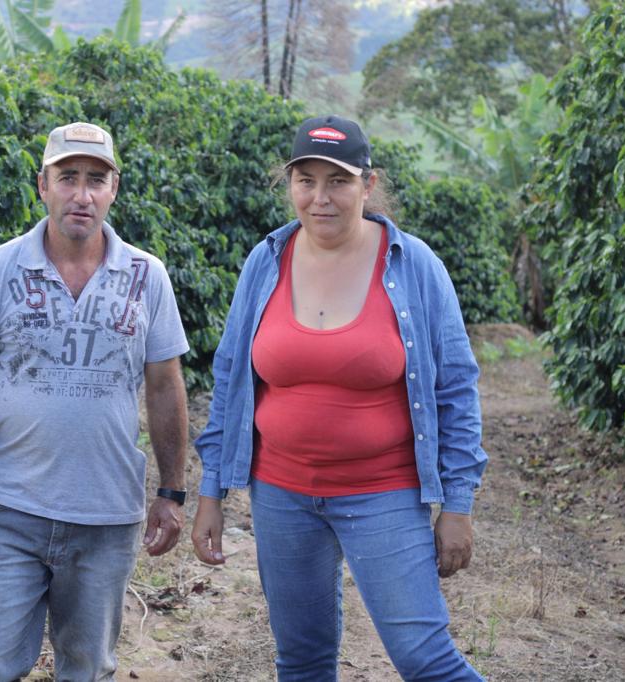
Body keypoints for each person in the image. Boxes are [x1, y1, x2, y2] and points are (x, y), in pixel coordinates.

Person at [191, 114, 488, 681]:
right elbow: (231, 374)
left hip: (383, 492)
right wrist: (211, 492)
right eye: (306, 181)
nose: (320, 198)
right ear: (290, 185)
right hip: (281, 495)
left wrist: (458, 504)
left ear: (368, 185)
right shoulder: (266, 262)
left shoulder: (413, 266)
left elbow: (455, 388)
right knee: (301, 660)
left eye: (338, 181)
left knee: (424, 658)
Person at [0, 121, 190, 681]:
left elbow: (164, 385)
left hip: (105, 515)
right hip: (8, 509)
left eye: (96, 180)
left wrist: (171, 491)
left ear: (114, 189)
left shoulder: (148, 277)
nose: (82, 194)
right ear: (42, 185)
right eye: (68, 178)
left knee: (86, 669)